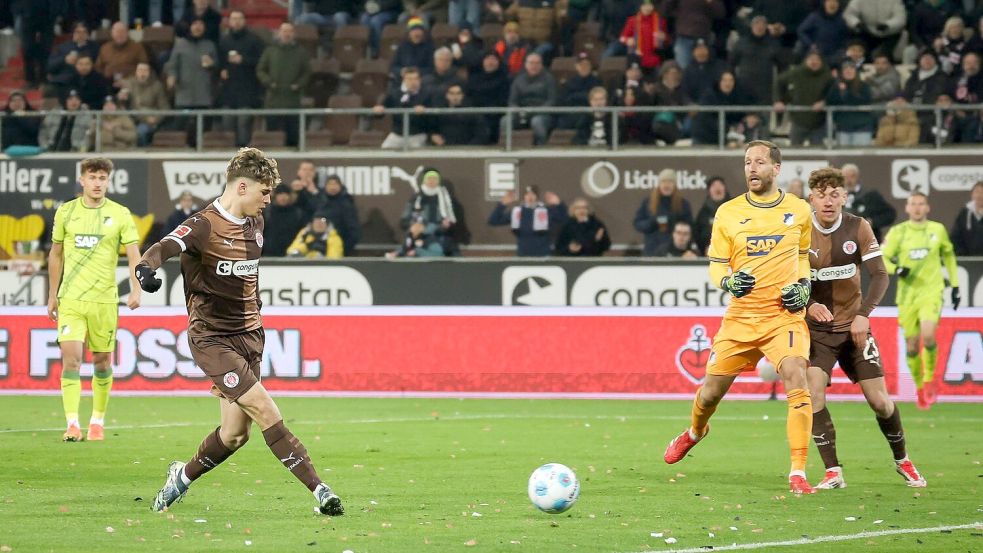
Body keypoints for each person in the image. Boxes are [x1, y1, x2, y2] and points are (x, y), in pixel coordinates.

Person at [135, 147, 345, 516]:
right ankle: (320, 490)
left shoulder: (255, 224)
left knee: (234, 435)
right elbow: (164, 246)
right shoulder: (204, 224)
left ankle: (179, 478)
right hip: (212, 337)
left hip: (250, 335)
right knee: (265, 408)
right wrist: (146, 269)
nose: (268, 200)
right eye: (264, 192)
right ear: (242, 187)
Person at [663, 140, 817, 495]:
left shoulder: (798, 209)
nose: (752, 168)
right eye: (747, 162)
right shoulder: (728, 213)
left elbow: (804, 256)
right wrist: (730, 281)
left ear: (776, 169)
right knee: (711, 392)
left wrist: (805, 286)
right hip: (742, 318)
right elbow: (717, 268)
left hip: (784, 316)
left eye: (759, 162)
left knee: (797, 375)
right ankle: (695, 432)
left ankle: (798, 471)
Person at [804, 167, 926, 490]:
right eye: (821, 195)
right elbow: (788, 280)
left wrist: (863, 314)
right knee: (813, 391)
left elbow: (881, 275)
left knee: (880, 401)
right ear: (811, 199)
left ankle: (903, 461)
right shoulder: (801, 233)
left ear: (844, 196)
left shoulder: (859, 227)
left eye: (834, 195)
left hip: (855, 328)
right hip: (818, 332)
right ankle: (833, 472)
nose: (828, 202)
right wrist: (806, 305)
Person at [47, 157, 142, 442]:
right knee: (71, 359)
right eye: (92, 177)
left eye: (102, 177)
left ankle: (97, 421)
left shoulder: (121, 214)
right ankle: (73, 424)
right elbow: (55, 254)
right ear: (82, 180)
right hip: (72, 299)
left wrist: (136, 289)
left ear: (108, 181)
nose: (97, 182)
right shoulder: (66, 212)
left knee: (101, 361)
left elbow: (134, 253)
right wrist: (53, 295)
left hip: (104, 301)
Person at [882, 192, 960, 410]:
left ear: (927, 208)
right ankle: (919, 387)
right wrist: (896, 269)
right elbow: (883, 257)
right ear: (907, 208)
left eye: (921, 204)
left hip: (931, 291)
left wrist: (954, 285)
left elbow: (949, 256)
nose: (917, 208)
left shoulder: (938, 230)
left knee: (928, 335)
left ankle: (929, 380)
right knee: (913, 345)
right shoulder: (898, 232)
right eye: (913, 204)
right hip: (908, 296)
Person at [257, 23, 311, 148]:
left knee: (293, 134)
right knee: (272, 135)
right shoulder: (270, 51)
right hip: (273, 99)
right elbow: (260, 70)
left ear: (294, 34)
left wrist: (299, 84)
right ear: (279, 33)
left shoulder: (301, 52)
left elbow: (307, 72)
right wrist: (269, 82)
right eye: (284, 31)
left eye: (290, 31)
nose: (287, 34)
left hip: (293, 99)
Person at [165, 18, 218, 145]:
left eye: (200, 24)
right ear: (190, 26)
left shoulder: (209, 45)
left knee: (203, 127)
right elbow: (172, 65)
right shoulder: (180, 45)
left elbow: (217, 68)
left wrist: (212, 64)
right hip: (184, 94)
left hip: (203, 94)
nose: (197, 27)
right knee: (182, 125)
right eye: (195, 24)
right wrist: (172, 76)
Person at [218, 10, 266, 148]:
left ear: (244, 21)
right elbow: (220, 61)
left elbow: (261, 61)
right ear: (229, 22)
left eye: (239, 18)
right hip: (229, 90)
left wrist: (243, 60)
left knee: (243, 122)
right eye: (234, 19)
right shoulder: (224, 40)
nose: (236, 21)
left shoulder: (254, 40)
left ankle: (244, 152)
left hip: (248, 89)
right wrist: (222, 70)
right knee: (227, 120)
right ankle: (227, 152)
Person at [773, 50, 833, 147]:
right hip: (798, 120)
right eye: (811, 59)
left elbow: (833, 94)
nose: (814, 62)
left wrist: (824, 102)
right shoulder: (795, 73)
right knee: (795, 151)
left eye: (817, 60)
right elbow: (779, 82)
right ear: (805, 61)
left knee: (818, 153)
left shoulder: (827, 76)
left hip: (819, 122)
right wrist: (779, 100)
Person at [488, 185, 567, 257]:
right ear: (524, 197)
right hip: (523, 254)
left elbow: (564, 219)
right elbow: (493, 221)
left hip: (543, 254)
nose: (530, 197)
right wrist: (502, 205)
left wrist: (559, 204)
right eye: (527, 194)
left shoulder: (546, 211)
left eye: (533, 194)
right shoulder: (517, 212)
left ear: (537, 196)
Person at [399, 169, 460, 255]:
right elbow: (405, 219)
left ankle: (416, 251)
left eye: (434, 179)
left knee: (438, 251)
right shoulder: (417, 196)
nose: (432, 181)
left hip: (438, 234)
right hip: (418, 233)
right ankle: (403, 252)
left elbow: (449, 219)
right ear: (425, 180)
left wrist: (446, 224)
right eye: (429, 179)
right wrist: (413, 225)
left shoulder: (443, 195)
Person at [634, 169, 693, 256]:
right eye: (663, 182)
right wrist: (652, 222)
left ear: (675, 185)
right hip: (652, 251)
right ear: (659, 184)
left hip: (675, 253)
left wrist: (674, 223)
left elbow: (690, 227)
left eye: (670, 182)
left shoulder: (683, 204)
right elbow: (637, 223)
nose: (666, 185)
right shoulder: (648, 202)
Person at [502, 53, 557, 145]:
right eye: (531, 63)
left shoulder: (549, 79)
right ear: (526, 64)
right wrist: (517, 110)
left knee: (537, 122)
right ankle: (507, 147)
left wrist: (537, 110)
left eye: (537, 63)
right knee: (505, 120)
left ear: (541, 65)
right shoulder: (518, 80)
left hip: (542, 114)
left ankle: (541, 147)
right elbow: (512, 101)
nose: (534, 66)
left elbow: (552, 100)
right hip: (521, 114)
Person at [374, 67, 431, 149]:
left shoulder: (427, 94)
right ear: (404, 80)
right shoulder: (394, 93)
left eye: (415, 79)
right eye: (409, 79)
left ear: (420, 80)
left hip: (417, 134)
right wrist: (378, 111)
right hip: (397, 134)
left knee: (418, 155)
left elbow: (433, 117)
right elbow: (381, 110)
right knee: (384, 150)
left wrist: (424, 112)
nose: (413, 82)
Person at [606, 0, 670, 72]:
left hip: (655, 58)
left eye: (649, 6)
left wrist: (664, 37)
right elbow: (622, 38)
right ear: (640, 7)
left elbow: (667, 42)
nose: (647, 8)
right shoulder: (632, 21)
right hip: (636, 57)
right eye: (644, 6)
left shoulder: (660, 22)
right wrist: (628, 40)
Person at [841, 163, 896, 242]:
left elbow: (890, 214)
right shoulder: (836, 196)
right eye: (845, 177)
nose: (849, 180)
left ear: (857, 176)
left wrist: (872, 222)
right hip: (842, 242)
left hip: (868, 241)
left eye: (852, 176)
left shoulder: (871, 195)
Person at [826, 60, 875, 146]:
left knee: (860, 156)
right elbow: (830, 102)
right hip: (843, 127)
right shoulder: (835, 87)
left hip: (862, 127)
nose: (848, 71)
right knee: (844, 157)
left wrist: (845, 92)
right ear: (841, 72)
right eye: (845, 69)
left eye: (851, 68)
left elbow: (864, 101)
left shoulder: (864, 86)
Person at [121, 63, 170, 147]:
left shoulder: (156, 86)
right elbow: (124, 104)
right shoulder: (129, 84)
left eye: (145, 70)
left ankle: (143, 153)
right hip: (131, 118)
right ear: (136, 72)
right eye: (140, 70)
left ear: (149, 72)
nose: (142, 73)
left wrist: (156, 119)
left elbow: (165, 108)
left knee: (141, 132)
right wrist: (122, 98)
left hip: (149, 119)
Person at [47, 22, 100, 94]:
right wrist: (64, 59)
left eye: (84, 32)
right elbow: (50, 66)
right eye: (78, 32)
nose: (81, 35)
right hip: (66, 80)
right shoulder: (63, 47)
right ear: (73, 33)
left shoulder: (94, 47)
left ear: (88, 34)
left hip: (87, 80)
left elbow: (99, 65)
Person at [314, 174, 361, 256]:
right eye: (330, 184)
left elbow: (354, 231)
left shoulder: (346, 205)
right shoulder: (319, 202)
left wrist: (343, 248)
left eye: (335, 184)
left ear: (340, 186)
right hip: (317, 248)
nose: (332, 187)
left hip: (340, 250)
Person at [262, 185, 308, 257]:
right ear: (275, 196)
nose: (283, 197)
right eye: (280, 194)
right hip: (269, 254)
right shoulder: (267, 212)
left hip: (292, 254)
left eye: (286, 194)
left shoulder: (298, 213)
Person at [692, 176, 729, 254]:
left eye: (720, 185)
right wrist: (704, 248)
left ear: (725, 189)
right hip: (709, 253)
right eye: (714, 186)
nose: (717, 188)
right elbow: (698, 234)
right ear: (709, 191)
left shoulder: (733, 207)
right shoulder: (703, 212)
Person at [950, 180, 983, 256]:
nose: (979, 195)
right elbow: (955, 238)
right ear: (972, 195)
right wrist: (963, 257)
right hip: (968, 261)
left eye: (982, 192)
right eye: (977, 192)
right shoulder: (963, 214)